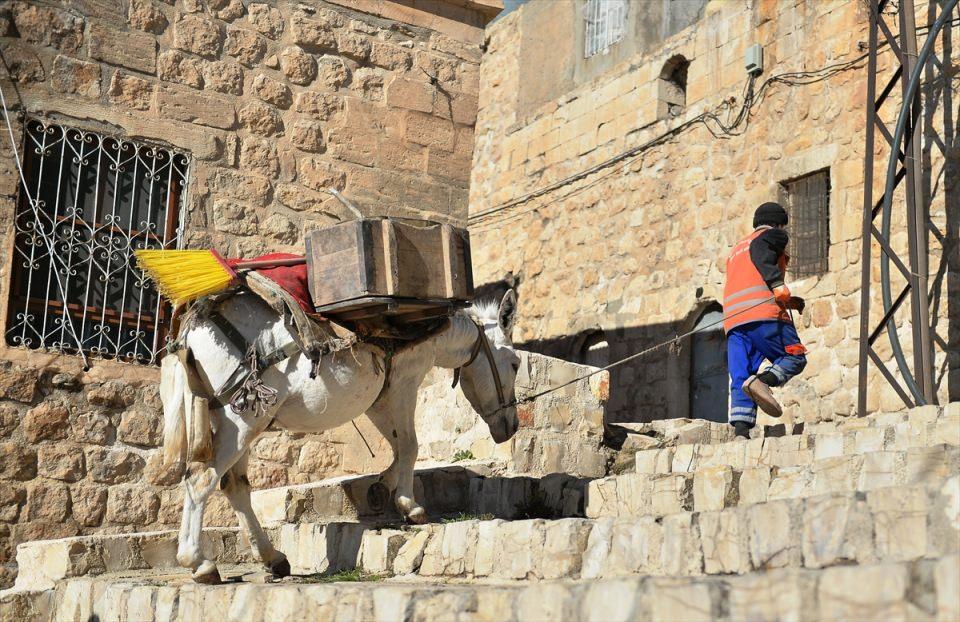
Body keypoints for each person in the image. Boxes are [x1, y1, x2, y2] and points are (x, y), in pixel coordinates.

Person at [723, 202, 807, 440]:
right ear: (778, 223)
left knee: (742, 376)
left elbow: (750, 282)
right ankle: (763, 382)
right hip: (764, 316)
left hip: (734, 321)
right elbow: (762, 253)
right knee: (794, 356)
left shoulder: (736, 249)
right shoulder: (771, 235)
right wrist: (778, 283)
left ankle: (741, 431)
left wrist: (791, 303)